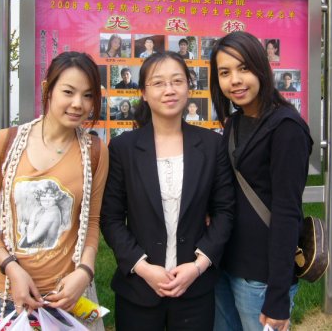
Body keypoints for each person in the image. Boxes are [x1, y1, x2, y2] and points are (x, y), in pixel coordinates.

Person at [0, 52, 109, 330]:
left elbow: (92, 220)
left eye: (88, 95)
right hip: (8, 295)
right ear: (47, 89)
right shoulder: (4, 142)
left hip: (69, 297)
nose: (78, 104)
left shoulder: (95, 151)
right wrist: (11, 268)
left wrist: (85, 271)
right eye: (68, 92)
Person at [100, 51, 235, 331]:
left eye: (177, 81)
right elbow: (111, 218)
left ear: (188, 88)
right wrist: (144, 268)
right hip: (138, 289)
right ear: (143, 93)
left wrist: (198, 266)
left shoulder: (212, 145)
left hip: (195, 289)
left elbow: (225, 211)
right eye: (158, 83)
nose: (169, 90)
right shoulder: (124, 149)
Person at [210, 32, 313, 331]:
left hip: (261, 279)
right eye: (225, 73)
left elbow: (286, 212)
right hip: (225, 266)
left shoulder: (286, 128)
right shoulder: (235, 122)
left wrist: (278, 296)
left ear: (261, 68)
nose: (235, 80)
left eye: (244, 68)